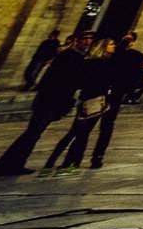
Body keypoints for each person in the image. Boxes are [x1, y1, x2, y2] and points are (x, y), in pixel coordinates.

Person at [0, 30, 91, 176]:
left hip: (52, 100)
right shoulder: (69, 56)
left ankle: (8, 163)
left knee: (32, 133)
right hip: (50, 100)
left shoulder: (74, 56)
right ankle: (10, 164)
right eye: (85, 39)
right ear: (77, 40)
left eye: (89, 40)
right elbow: (63, 80)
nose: (87, 42)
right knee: (33, 133)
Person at [43, 39, 115, 173]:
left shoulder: (88, 61)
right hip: (96, 101)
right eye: (111, 44)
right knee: (82, 133)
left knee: (75, 132)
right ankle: (72, 163)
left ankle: (54, 161)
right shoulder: (105, 64)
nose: (114, 46)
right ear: (104, 47)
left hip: (85, 99)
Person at [88, 33, 143, 169]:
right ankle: (95, 157)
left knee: (95, 127)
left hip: (108, 95)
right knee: (99, 127)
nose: (114, 46)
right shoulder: (108, 59)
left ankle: (94, 157)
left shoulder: (119, 57)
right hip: (105, 95)